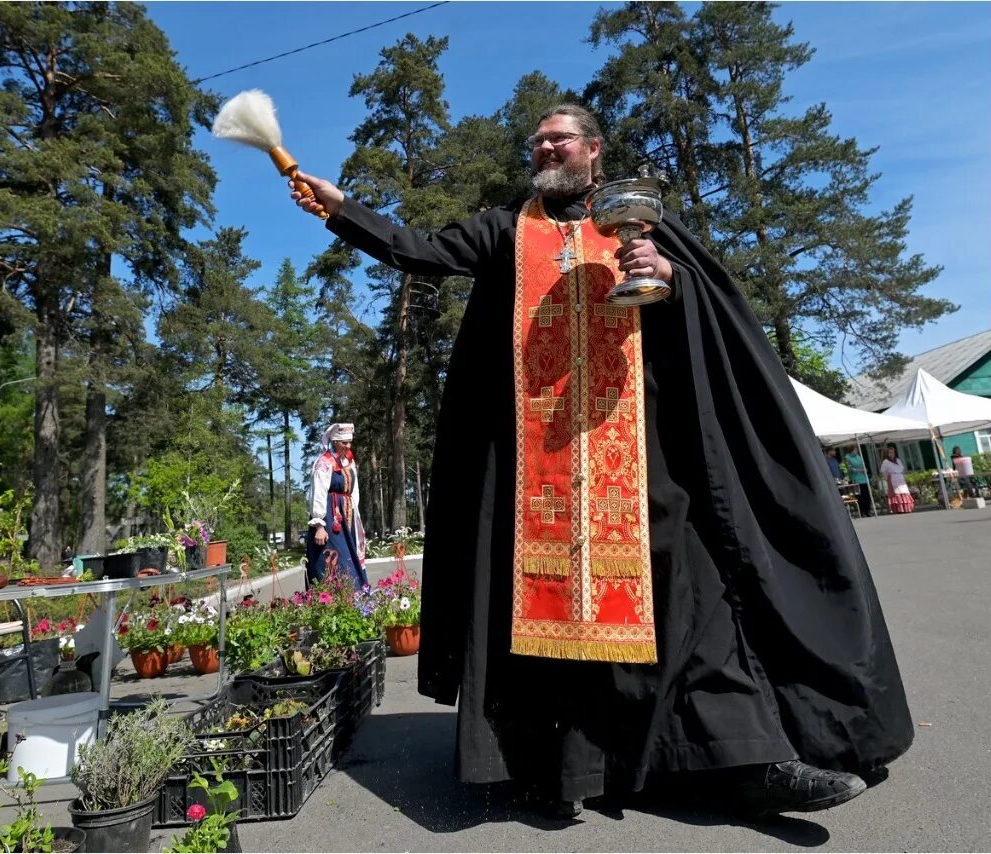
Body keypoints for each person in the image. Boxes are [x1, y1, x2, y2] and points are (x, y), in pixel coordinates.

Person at [287, 104, 912, 817]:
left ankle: (750, 761)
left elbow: (710, 320)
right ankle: (562, 770)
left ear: (592, 149)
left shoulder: (639, 224)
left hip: (645, 461)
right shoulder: (505, 231)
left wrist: (672, 279)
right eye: (537, 139)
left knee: (694, 601)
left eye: (559, 137)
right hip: (534, 472)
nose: (546, 146)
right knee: (542, 624)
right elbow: (419, 249)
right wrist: (340, 210)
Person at [305, 423, 368, 589]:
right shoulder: (324, 462)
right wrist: (319, 525)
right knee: (336, 556)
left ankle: (357, 599)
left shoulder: (349, 462)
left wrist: (356, 517)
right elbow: (317, 493)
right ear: (334, 442)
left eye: (349, 442)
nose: (347, 446)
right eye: (343, 443)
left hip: (348, 516)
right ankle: (333, 597)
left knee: (351, 555)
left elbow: (354, 492)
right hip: (331, 517)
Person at [879, 446, 914, 514]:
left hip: (900, 477)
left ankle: (906, 508)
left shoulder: (897, 460)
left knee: (904, 492)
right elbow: (883, 471)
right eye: (890, 453)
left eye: (893, 452)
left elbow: (902, 469)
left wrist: (903, 476)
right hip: (892, 478)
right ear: (888, 454)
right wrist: (886, 478)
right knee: (896, 493)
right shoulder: (886, 461)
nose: (892, 454)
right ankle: (898, 509)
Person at [844, 446, 873, 516]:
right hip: (856, 479)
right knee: (860, 496)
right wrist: (860, 470)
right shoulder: (847, 458)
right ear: (851, 450)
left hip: (864, 478)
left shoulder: (858, 456)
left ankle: (868, 510)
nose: (856, 451)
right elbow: (850, 469)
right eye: (855, 450)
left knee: (866, 495)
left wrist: (865, 469)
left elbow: (862, 465)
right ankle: (862, 511)